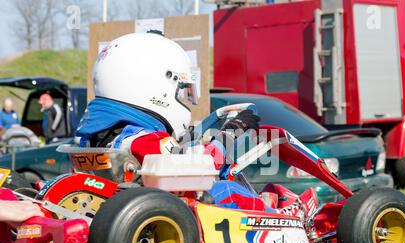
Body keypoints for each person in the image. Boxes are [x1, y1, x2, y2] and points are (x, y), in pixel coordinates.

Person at [75, 32, 316, 216]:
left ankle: (272, 202)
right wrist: (231, 131)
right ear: (152, 86)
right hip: (167, 211)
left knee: (260, 188)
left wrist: (195, 136)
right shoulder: (141, 140)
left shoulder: (100, 136)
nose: (184, 100)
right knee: (225, 189)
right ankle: (278, 219)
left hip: (135, 204)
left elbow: (174, 156)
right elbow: (201, 165)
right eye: (182, 91)